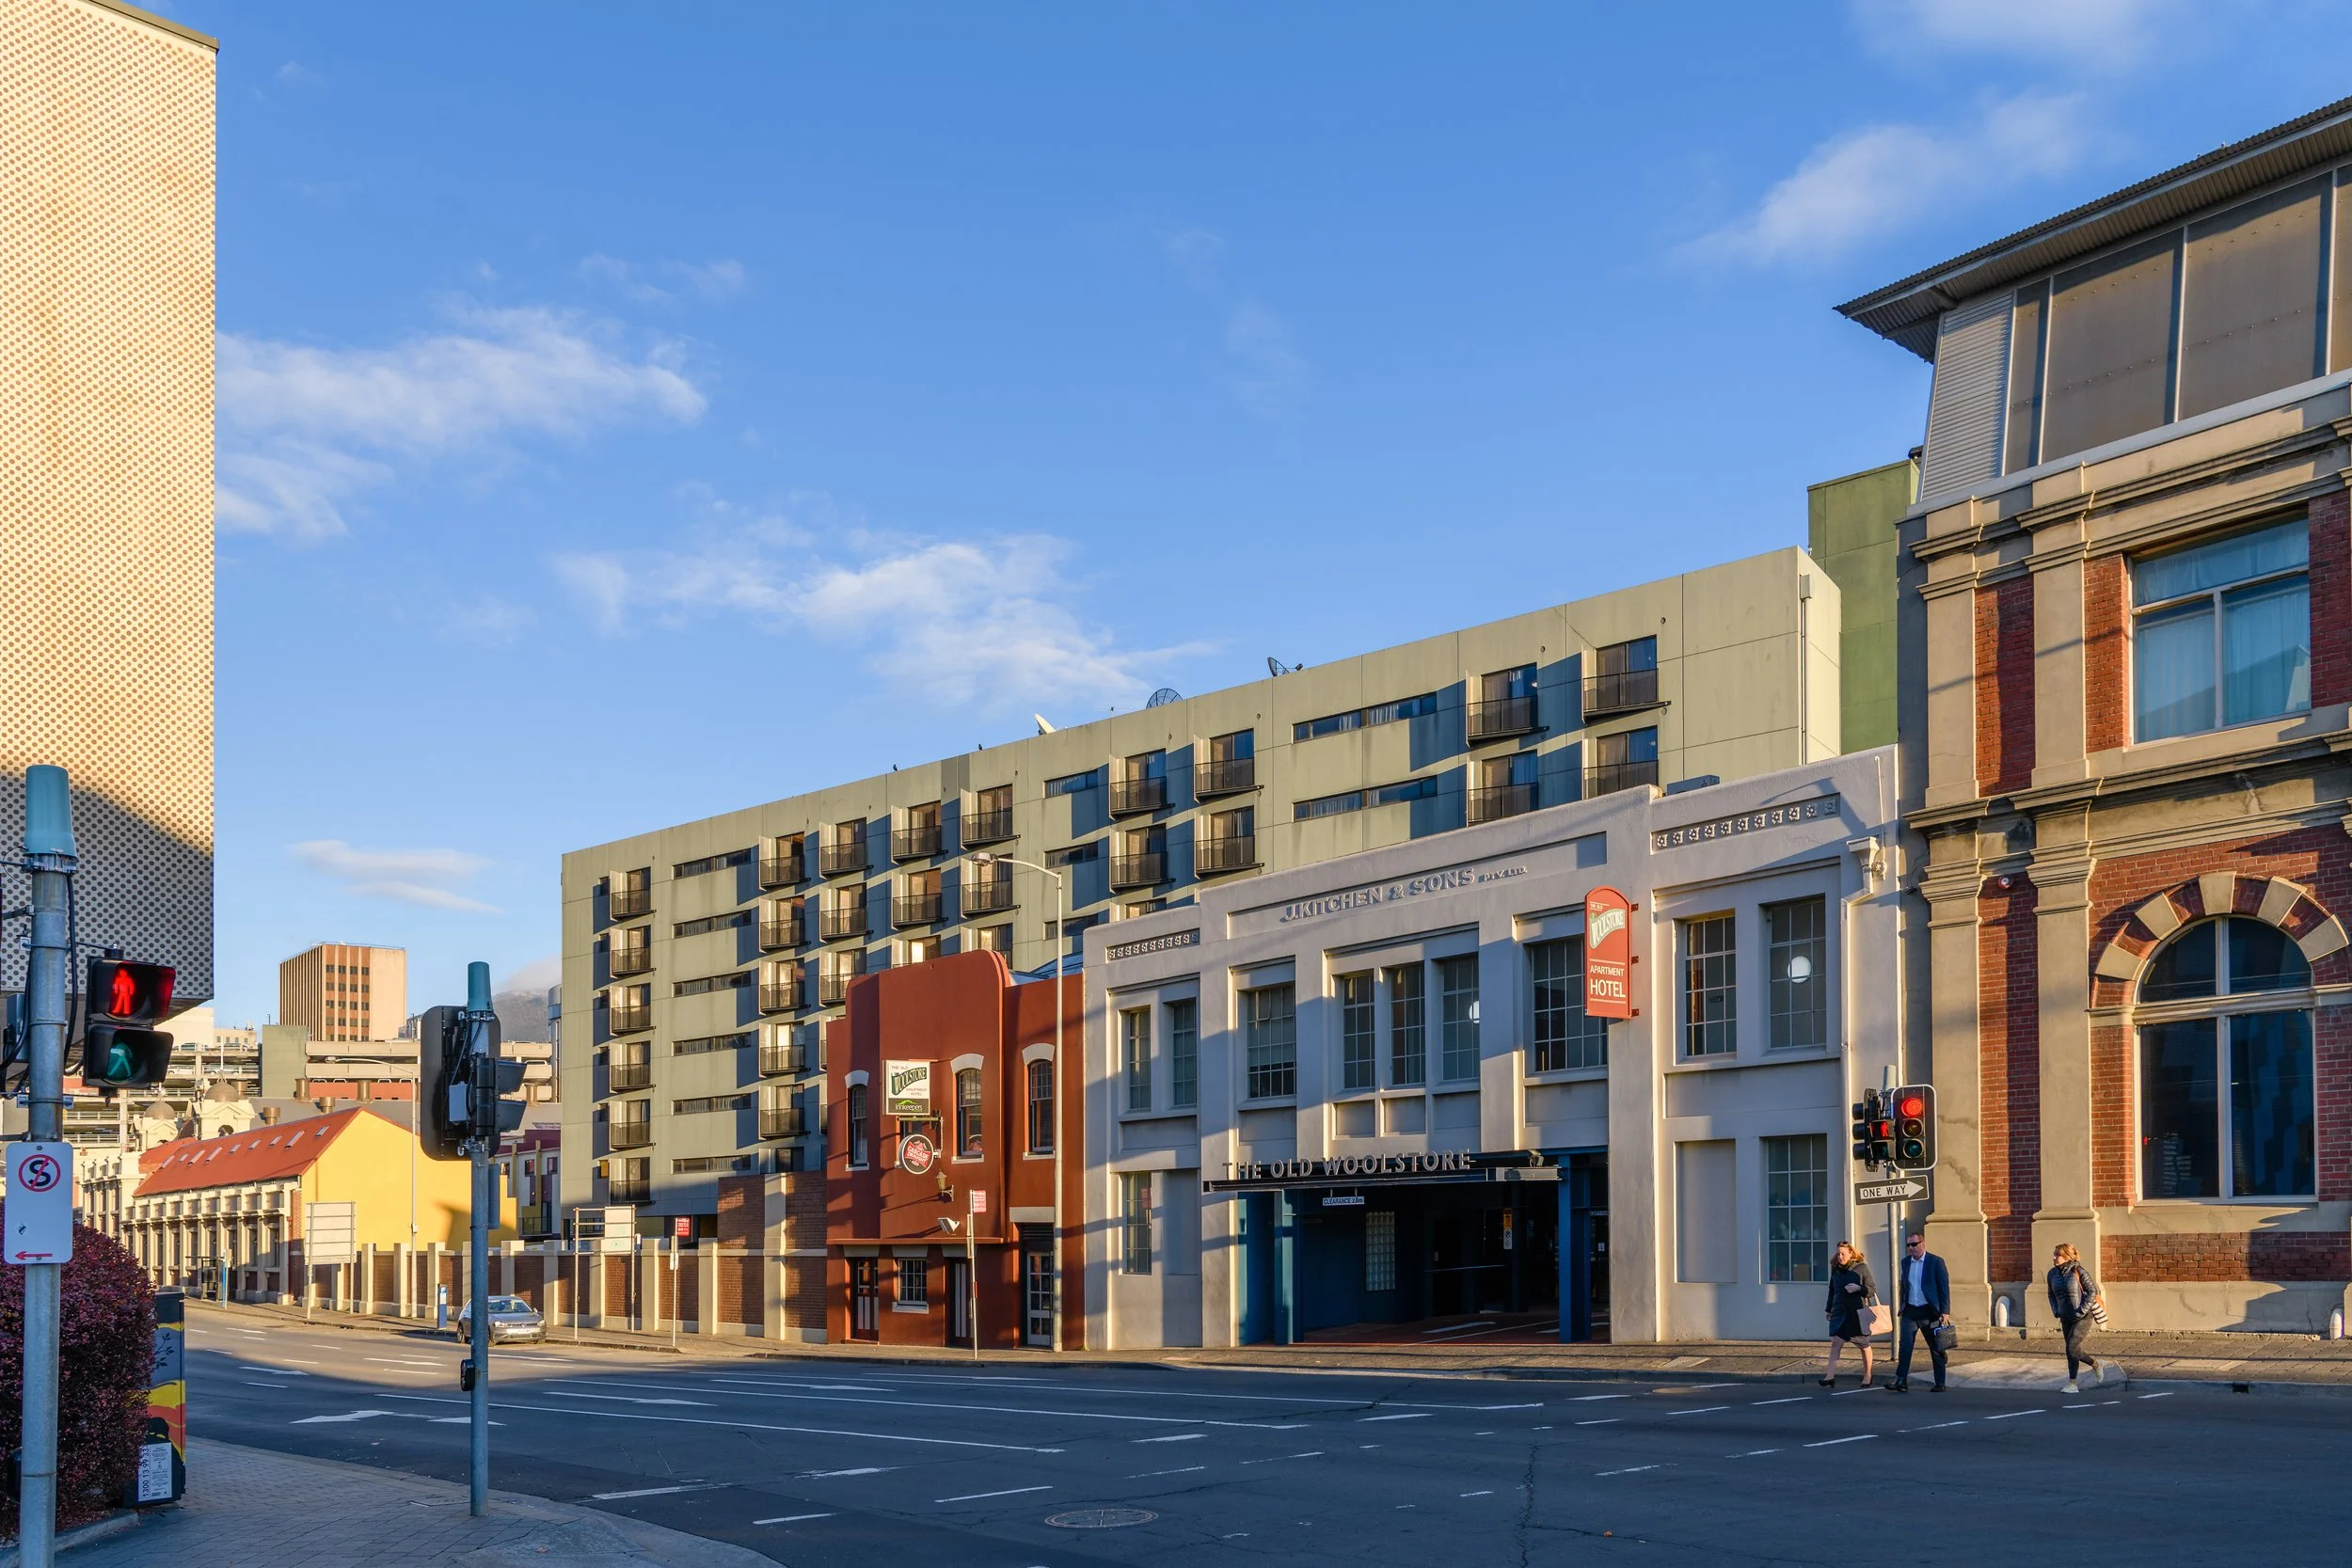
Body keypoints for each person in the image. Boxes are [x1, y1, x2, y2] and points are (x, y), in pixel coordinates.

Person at [1889, 1230, 1951, 1392]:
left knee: (1936, 1347)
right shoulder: (1905, 1262)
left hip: (1930, 1311)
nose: (1911, 1248)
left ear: (1923, 1244)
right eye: (1908, 1245)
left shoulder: (1935, 1262)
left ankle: (1940, 1383)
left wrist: (1944, 1310)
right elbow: (1905, 1286)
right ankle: (1901, 1380)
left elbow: (1944, 1288)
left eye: (1914, 1244)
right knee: (1905, 1346)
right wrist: (1902, 1305)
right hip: (1911, 1311)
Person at [2047, 1241, 2106, 1392]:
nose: (2054, 1258)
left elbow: (2092, 1291)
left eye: (2058, 1255)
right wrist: (2056, 1310)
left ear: (2067, 1256)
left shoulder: (2078, 1271)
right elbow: (2051, 1294)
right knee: (2072, 1350)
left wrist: (2082, 1310)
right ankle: (2096, 1365)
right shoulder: (2052, 1274)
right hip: (2065, 1317)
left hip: (2083, 1317)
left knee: (2071, 1348)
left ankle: (2072, 1384)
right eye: (2054, 1254)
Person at [1820, 1241, 1878, 1387]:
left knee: (1864, 1345)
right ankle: (1830, 1377)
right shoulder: (1836, 1269)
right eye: (1838, 1254)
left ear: (1851, 1253)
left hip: (1856, 1314)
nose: (1840, 1257)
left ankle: (1868, 1375)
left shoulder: (1861, 1268)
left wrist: (1858, 1288)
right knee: (1835, 1343)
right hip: (1839, 1312)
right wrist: (1829, 1310)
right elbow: (1832, 1291)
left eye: (1843, 1254)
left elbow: (1871, 1290)